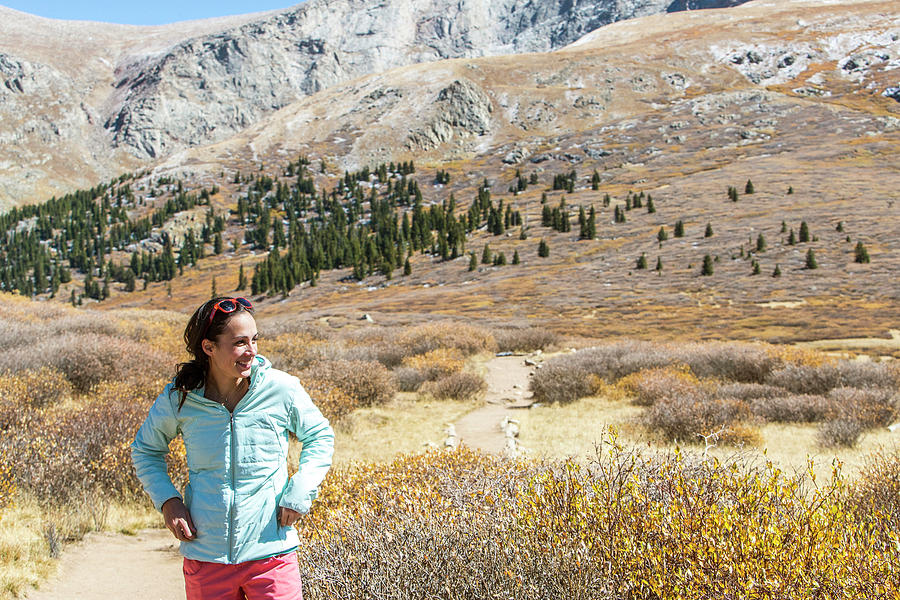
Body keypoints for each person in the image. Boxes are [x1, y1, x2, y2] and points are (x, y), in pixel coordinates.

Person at [132, 296, 334, 600]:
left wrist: (299, 492)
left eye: (254, 340)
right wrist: (168, 501)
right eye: (240, 342)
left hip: (271, 553)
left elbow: (320, 437)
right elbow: (146, 450)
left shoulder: (282, 389)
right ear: (209, 347)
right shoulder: (180, 398)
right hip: (206, 557)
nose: (251, 351)